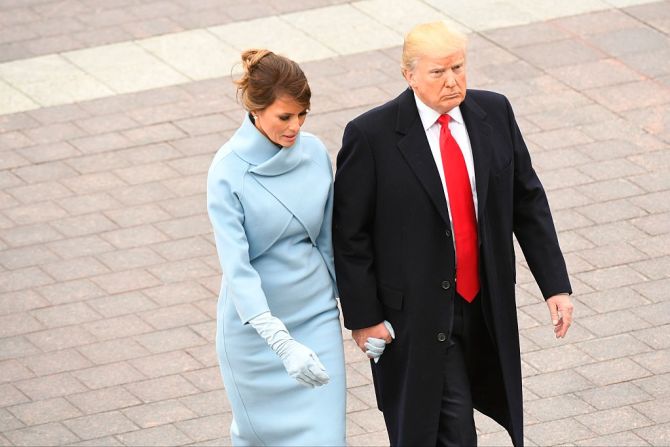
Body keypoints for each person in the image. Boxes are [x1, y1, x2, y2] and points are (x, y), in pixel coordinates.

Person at [333, 21, 574, 447]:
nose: (452, 81)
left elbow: (527, 200)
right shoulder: (370, 136)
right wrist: (363, 319)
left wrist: (555, 285)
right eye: (438, 72)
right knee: (449, 432)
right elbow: (350, 234)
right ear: (409, 75)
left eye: (458, 68)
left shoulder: (495, 113)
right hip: (417, 317)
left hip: (484, 306)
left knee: (480, 409)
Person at [207, 49, 346, 446]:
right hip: (256, 336)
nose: (295, 127)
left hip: (316, 317)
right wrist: (282, 344)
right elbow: (238, 272)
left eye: (302, 115)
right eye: (285, 117)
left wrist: (360, 315)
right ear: (255, 109)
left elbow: (328, 245)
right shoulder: (226, 172)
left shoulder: (316, 153)